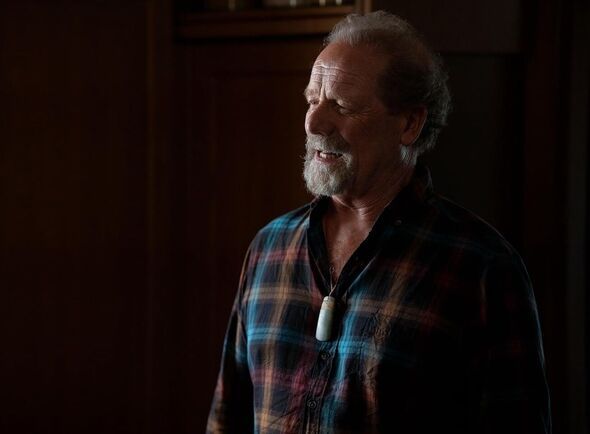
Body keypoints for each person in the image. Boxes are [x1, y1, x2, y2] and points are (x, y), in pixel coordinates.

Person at [207, 11, 551, 434]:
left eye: (342, 106)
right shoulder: (269, 247)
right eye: (312, 100)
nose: (314, 122)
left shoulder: (481, 267)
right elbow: (228, 416)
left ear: (409, 123)